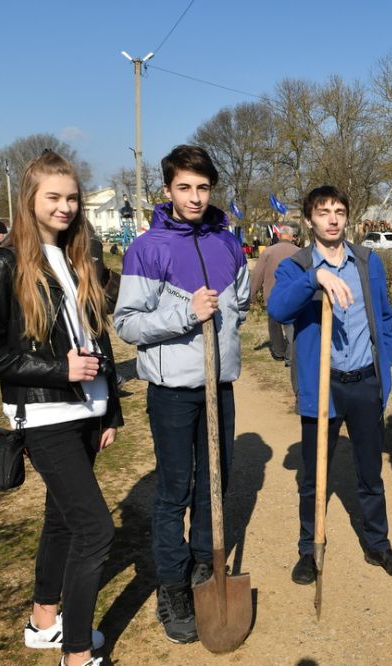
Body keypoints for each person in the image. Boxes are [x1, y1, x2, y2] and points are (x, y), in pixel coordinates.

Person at [0, 151, 123, 666]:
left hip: (86, 410)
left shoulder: (81, 255)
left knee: (61, 519)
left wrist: (109, 411)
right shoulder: (6, 261)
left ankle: (44, 622)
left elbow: (96, 336)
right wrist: (59, 372)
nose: (66, 206)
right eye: (53, 196)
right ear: (29, 199)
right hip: (45, 415)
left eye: (72, 197)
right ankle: (77, 655)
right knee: (96, 529)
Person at [113, 145, 250, 644]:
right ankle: (172, 586)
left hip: (221, 385)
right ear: (167, 190)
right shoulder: (147, 248)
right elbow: (126, 325)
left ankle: (201, 567)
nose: (195, 197)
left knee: (216, 481)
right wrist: (186, 313)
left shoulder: (228, 242)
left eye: (203, 187)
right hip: (172, 392)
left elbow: (242, 302)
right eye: (184, 188)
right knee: (174, 491)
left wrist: (225, 329)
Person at [266, 185, 392, 584]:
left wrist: (386, 370)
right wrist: (316, 278)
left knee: (370, 473)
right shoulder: (296, 266)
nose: (332, 219)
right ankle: (309, 549)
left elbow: (384, 318)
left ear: (347, 217)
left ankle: (378, 545)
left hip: (364, 382)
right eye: (323, 211)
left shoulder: (367, 261)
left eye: (339, 211)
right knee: (315, 479)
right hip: (322, 387)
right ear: (309, 219)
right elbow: (278, 308)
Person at [250, 224, 301, 365]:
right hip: (294, 294)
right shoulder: (300, 252)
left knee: (274, 325)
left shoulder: (268, 252)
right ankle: (291, 356)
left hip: (272, 294)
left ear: (279, 236)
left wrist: (252, 295)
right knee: (291, 325)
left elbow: (257, 275)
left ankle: (279, 352)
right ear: (292, 237)